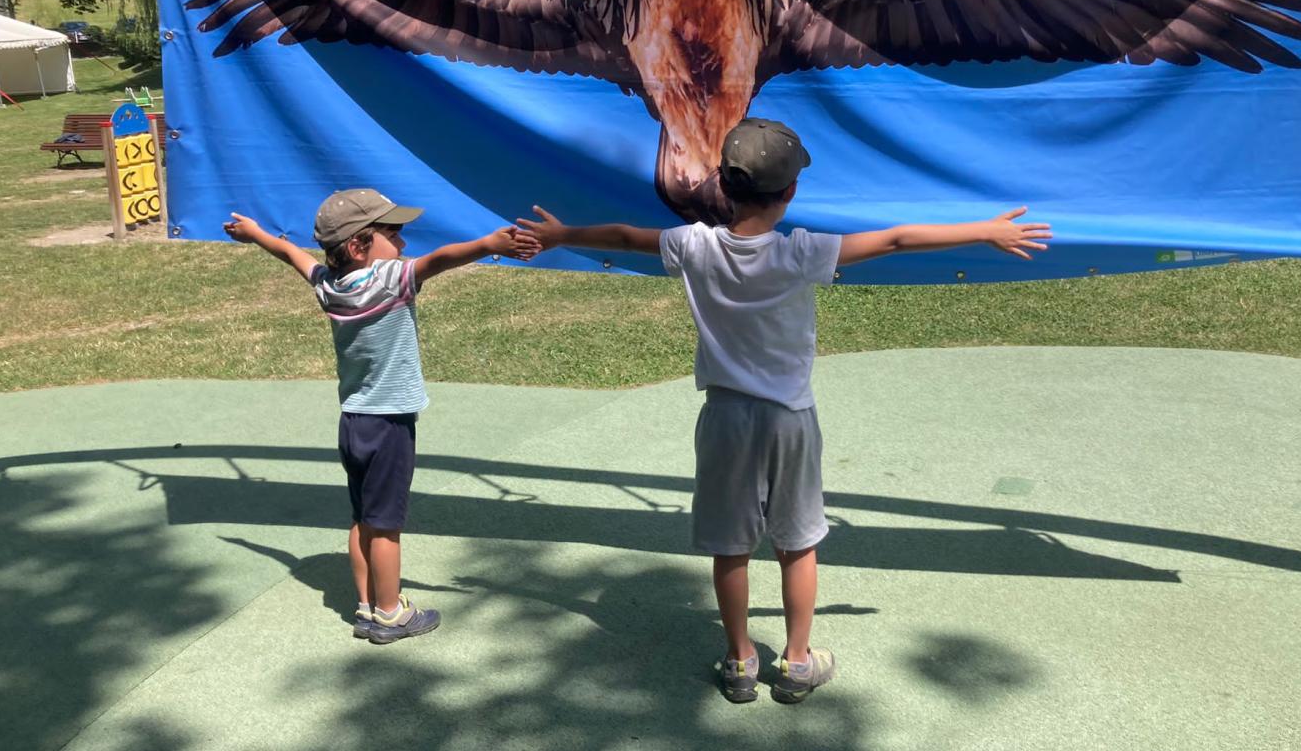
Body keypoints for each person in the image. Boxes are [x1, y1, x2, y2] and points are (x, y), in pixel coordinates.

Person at [517, 118, 1052, 703]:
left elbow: (623, 236)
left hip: (724, 419)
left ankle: (740, 660)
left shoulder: (692, 245)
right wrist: (986, 231)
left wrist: (561, 234)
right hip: (790, 420)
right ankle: (797, 663)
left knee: (731, 545)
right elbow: (897, 239)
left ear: (722, 183)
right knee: (797, 542)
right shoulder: (803, 254)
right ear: (790, 192)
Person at [224, 189, 539, 644]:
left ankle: (368, 606)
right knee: (387, 526)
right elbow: (443, 259)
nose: (404, 244)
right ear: (358, 245)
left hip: (353, 423)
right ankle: (391, 615)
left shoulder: (327, 285)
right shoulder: (391, 279)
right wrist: (489, 244)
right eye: (394, 234)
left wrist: (254, 234)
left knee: (363, 520)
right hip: (389, 425)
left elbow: (291, 253)